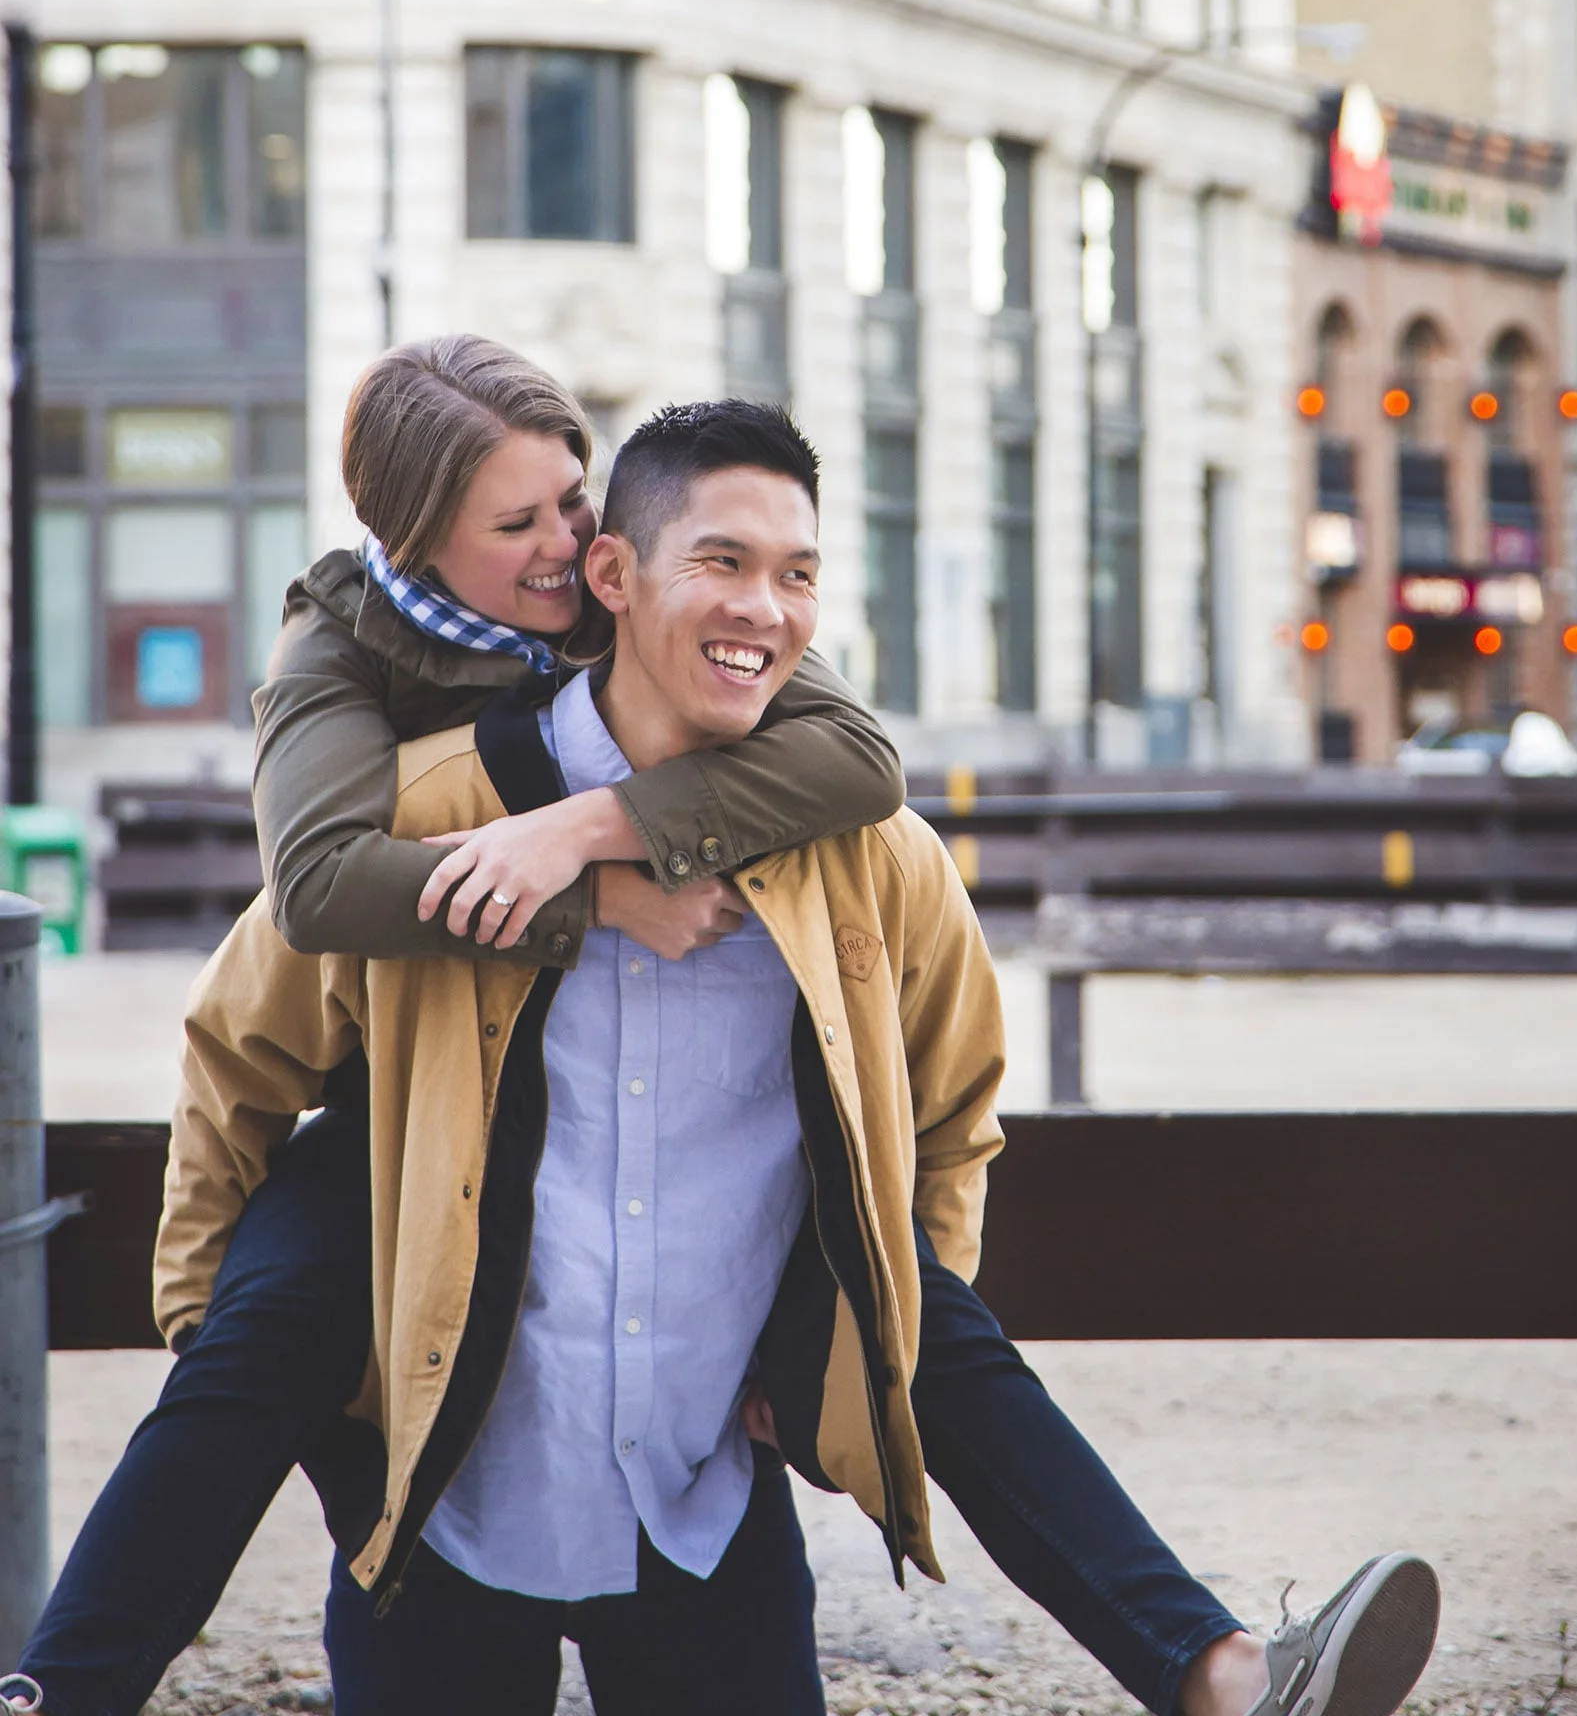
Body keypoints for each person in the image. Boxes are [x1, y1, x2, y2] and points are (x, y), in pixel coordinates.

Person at [8, 399, 1441, 1716]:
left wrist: (847, 1343)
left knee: (932, 1328)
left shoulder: (872, 857)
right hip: (443, 1499)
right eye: (724, 561)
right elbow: (239, 1055)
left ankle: (1224, 1678)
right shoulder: (431, 810)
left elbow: (949, 1117)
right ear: (614, 578)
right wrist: (204, 1310)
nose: (766, 607)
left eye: (799, 574)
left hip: (698, 1496)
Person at [9, 341, 907, 1716]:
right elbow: (310, 896)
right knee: (247, 1359)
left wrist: (592, 826)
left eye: (571, 498)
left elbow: (853, 755)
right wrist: (592, 900)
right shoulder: (344, 639)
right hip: (406, 1094)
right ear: (413, 541)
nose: (568, 544)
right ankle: (56, 1694)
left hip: (617, 1106)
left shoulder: (636, 589)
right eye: (517, 525)